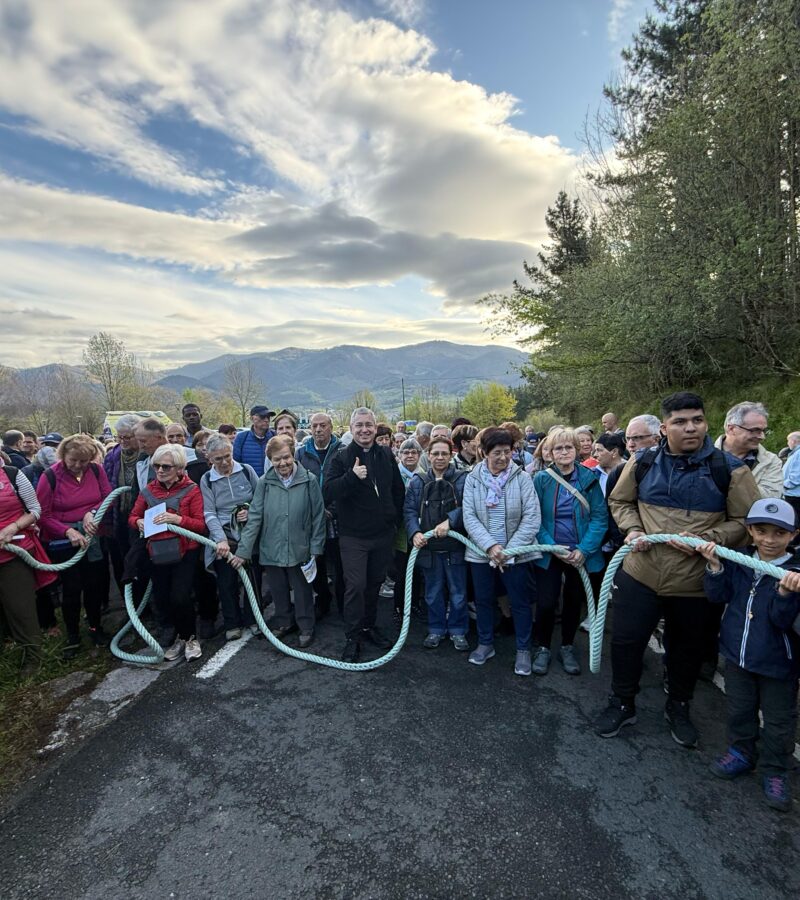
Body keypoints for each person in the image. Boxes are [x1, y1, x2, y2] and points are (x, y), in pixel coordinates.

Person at [596, 391, 761, 747]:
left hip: (695, 582)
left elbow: (749, 522)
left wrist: (709, 536)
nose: (691, 428)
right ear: (665, 427)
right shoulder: (641, 464)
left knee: (686, 649)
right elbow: (620, 501)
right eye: (681, 422)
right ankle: (622, 702)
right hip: (640, 572)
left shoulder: (730, 471)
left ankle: (679, 706)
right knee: (626, 642)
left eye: (697, 420)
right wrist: (634, 529)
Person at [698, 498, 800, 812]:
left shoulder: (795, 573)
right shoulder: (739, 559)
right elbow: (718, 597)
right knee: (740, 709)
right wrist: (715, 567)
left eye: (779, 533)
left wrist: (785, 594)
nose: (769, 539)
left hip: (778, 664)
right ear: (750, 530)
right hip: (737, 655)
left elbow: (783, 621)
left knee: (779, 721)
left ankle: (775, 770)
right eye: (762, 530)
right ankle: (741, 752)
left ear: (793, 535)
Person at [323, 407, 405, 662]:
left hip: (382, 533)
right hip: (353, 536)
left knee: (374, 584)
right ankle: (352, 636)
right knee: (355, 586)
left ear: (375, 426)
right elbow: (327, 492)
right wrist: (352, 477)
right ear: (350, 428)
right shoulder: (342, 457)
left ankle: (368, 627)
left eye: (368, 424)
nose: (364, 429)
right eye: (359, 425)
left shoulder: (385, 455)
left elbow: (397, 489)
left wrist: (394, 519)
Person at [231, 435, 326, 649]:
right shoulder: (265, 482)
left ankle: (306, 626)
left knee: (302, 590)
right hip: (271, 546)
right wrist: (243, 551)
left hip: (300, 546)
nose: (282, 463)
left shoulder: (309, 480)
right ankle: (284, 622)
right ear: (270, 460)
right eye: (276, 459)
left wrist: (316, 547)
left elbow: (318, 517)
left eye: (286, 457)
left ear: (293, 455)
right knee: (278, 589)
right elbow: (254, 516)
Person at [462, 427, 542, 675]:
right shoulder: (472, 479)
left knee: (519, 602)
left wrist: (509, 550)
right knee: (484, 600)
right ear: (484, 452)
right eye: (497, 452)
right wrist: (491, 546)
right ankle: (485, 643)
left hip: (515, 553)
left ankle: (523, 649)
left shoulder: (522, 478)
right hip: (481, 553)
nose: (503, 458)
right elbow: (469, 516)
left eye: (508, 452)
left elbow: (532, 516)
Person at [532, 428, 608, 675]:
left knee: (574, 603)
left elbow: (599, 517)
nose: (563, 452)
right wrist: (551, 546)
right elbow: (535, 518)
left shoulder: (589, 479)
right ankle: (542, 647)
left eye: (568, 447)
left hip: (580, 554)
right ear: (550, 453)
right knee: (545, 602)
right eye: (558, 448)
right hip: (550, 552)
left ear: (576, 450)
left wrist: (585, 549)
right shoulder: (541, 480)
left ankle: (567, 646)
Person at [36, 433, 113, 658]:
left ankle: (95, 627)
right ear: (64, 456)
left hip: (93, 536)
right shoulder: (50, 476)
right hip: (65, 541)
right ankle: (72, 635)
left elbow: (108, 496)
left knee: (94, 585)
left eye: (83, 461)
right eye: (73, 461)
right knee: (71, 589)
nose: (78, 466)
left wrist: (93, 513)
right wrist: (67, 530)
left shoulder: (96, 471)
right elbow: (43, 514)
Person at [128, 444, 206, 662]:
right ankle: (178, 639)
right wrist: (140, 522)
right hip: (157, 552)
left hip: (185, 553)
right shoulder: (149, 491)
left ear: (180, 468)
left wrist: (177, 520)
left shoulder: (192, 490)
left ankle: (190, 637)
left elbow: (201, 525)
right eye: (157, 466)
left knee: (180, 596)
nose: (160, 471)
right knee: (162, 597)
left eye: (166, 467)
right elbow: (132, 516)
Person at [404, 436, 469, 650]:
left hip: (455, 547)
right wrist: (414, 532)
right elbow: (410, 510)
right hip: (428, 549)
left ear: (451, 455)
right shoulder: (418, 481)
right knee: (432, 592)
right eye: (435, 453)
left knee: (458, 592)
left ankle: (458, 631)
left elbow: (469, 506)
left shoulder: (462, 479)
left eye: (444, 453)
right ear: (428, 455)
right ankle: (436, 629)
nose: (440, 457)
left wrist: (450, 521)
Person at [200, 434, 260, 641]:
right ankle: (232, 623)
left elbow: (260, 500)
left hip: (249, 534)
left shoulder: (247, 471)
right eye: (218, 459)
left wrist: (250, 510)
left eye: (227, 456)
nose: (225, 463)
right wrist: (219, 539)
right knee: (227, 583)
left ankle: (254, 620)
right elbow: (209, 512)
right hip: (224, 535)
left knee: (253, 580)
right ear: (209, 458)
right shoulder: (207, 479)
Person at [0, 460, 55, 672]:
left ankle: (33, 657)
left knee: (20, 607)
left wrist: (13, 527)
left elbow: (35, 509)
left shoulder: (12, 474)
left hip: (13, 552)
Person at [295, 413, 343, 618]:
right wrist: (314, 510)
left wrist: (332, 509)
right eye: (314, 426)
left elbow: (347, 484)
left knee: (341, 565)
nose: (318, 430)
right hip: (311, 519)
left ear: (331, 427)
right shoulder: (301, 454)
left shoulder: (343, 451)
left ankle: (343, 604)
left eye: (323, 425)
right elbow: (297, 484)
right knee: (317, 563)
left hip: (338, 519)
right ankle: (323, 599)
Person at [103, 414, 143, 593]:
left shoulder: (146, 456)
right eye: (120, 437)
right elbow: (107, 485)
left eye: (128, 437)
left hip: (141, 515)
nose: (123, 441)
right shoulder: (112, 456)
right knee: (122, 557)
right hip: (120, 513)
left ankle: (145, 600)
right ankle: (129, 601)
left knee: (140, 558)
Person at [714, 402, 783, 498]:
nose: (762, 437)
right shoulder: (702, 456)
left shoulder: (771, 461)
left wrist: (728, 479)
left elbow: (770, 499)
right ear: (732, 429)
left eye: (763, 431)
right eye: (755, 430)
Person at [233, 406, 276, 477]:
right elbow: (236, 464)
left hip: (271, 484)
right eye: (262, 416)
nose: (266, 420)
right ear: (252, 418)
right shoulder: (241, 438)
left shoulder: (275, 437)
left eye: (268, 417)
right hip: (249, 484)